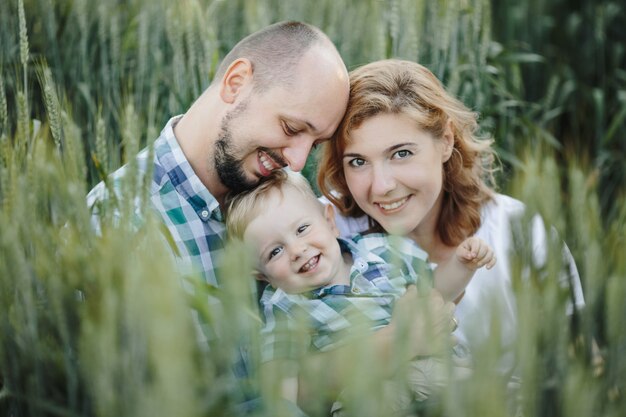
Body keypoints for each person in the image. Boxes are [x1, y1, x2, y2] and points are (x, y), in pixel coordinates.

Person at [316, 59, 585, 380]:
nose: (382, 186)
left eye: (401, 153)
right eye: (358, 161)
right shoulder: (322, 231)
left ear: (445, 140)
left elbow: (577, 366)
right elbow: (286, 386)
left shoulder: (520, 233)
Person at [86, 21, 350, 288]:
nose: (297, 162)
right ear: (236, 83)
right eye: (291, 128)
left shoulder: (294, 206)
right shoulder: (118, 225)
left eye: (315, 144)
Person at [225, 169, 496, 410]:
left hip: (441, 366)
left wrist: (462, 265)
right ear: (263, 276)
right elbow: (280, 384)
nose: (297, 250)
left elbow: (435, 293)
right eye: (275, 251)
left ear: (329, 221)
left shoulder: (382, 249)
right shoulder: (284, 307)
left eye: (303, 229)